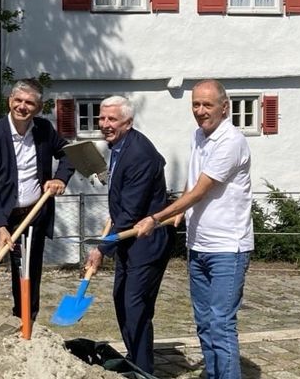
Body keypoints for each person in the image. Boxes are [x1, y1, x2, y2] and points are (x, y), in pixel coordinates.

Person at [133, 79, 252, 379]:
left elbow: (201, 189)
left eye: (207, 105)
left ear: (224, 108)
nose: (200, 111)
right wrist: (181, 213)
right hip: (198, 245)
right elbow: (193, 179)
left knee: (221, 323)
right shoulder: (198, 136)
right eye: (195, 104)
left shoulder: (231, 141)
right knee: (204, 322)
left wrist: (157, 217)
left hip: (228, 247)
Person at [0, 79, 72, 319]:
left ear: (39, 107)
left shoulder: (44, 131)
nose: (22, 106)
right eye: (18, 100)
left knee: (26, 281)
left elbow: (69, 154)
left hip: (29, 220)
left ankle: (24, 330)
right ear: (10, 101)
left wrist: (60, 179)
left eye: (29, 102)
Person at [84, 95, 170, 375]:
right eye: (103, 118)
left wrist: (100, 250)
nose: (106, 124)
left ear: (128, 122)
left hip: (147, 242)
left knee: (136, 308)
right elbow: (124, 202)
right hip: (127, 239)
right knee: (121, 300)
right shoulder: (119, 146)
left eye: (113, 120)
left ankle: (143, 370)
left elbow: (131, 212)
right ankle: (134, 359)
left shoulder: (139, 154)